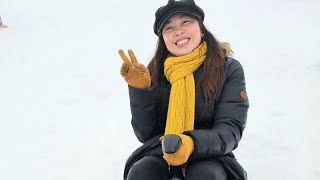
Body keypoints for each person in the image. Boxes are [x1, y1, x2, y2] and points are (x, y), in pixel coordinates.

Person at [118, 0, 249, 179]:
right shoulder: (156, 71)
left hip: (211, 155)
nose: (178, 31)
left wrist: (190, 143)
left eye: (186, 22)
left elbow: (230, 130)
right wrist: (140, 91)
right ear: (163, 40)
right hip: (163, 151)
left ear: (201, 29)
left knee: (205, 174)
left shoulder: (228, 69)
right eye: (168, 28)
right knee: (141, 172)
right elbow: (146, 134)